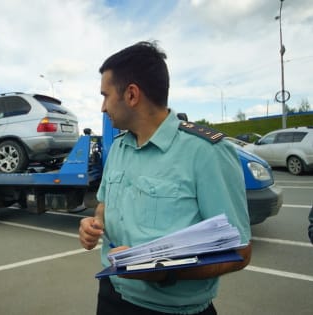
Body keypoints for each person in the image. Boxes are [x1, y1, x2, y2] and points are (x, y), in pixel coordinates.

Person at [78, 41, 252, 315]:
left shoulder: (206, 152)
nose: (102, 107)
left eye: (105, 95)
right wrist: (94, 222)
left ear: (132, 94)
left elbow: (239, 252)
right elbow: (104, 205)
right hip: (113, 295)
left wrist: (162, 271)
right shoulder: (119, 148)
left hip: (172, 309)